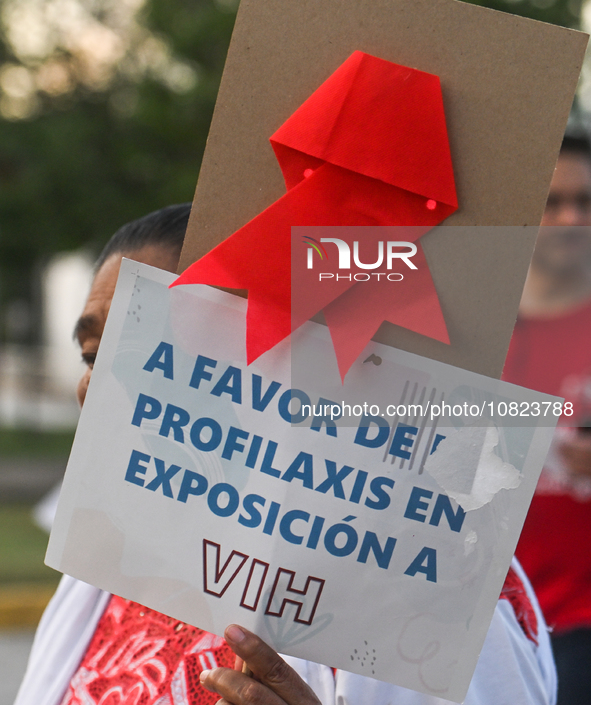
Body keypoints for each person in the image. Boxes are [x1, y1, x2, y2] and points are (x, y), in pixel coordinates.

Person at [17, 204, 557, 705]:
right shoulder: (104, 573)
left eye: (162, 352)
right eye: (93, 354)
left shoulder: (427, 584)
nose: (103, 384)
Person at [504, 134, 591, 705]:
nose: (570, 218)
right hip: (492, 623)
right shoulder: (464, 329)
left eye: (585, 203)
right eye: (552, 200)